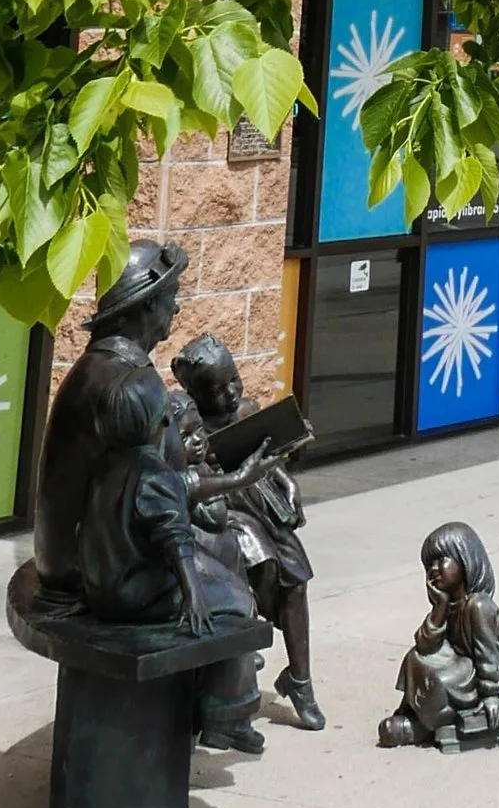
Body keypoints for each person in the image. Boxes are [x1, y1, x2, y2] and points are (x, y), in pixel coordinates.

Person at [32, 236, 264, 751]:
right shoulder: (131, 386)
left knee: (227, 547)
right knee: (234, 596)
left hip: (88, 548)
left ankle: (215, 688)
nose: (176, 307)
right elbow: (167, 490)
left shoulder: (100, 368)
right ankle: (221, 712)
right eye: (170, 295)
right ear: (145, 307)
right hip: (91, 574)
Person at [170, 333, 322, 733]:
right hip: (226, 512)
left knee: (297, 581)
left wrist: (288, 481)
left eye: (234, 380)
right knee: (264, 564)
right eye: (218, 390)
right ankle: (245, 649)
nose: (231, 393)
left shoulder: (248, 411)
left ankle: (300, 681)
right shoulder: (191, 428)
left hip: (264, 503)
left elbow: (272, 459)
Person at [379, 522, 499, 753]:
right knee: (415, 657)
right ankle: (413, 712)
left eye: (441, 560)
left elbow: (486, 655)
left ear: (465, 560)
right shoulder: (450, 604)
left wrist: (492, 696)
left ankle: (428, 725)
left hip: (494, 674)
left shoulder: (478, 606)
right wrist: (440, 607)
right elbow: (425, 643)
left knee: (440, 680)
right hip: (464, 662)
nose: (434, 569)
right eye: (429, 565)